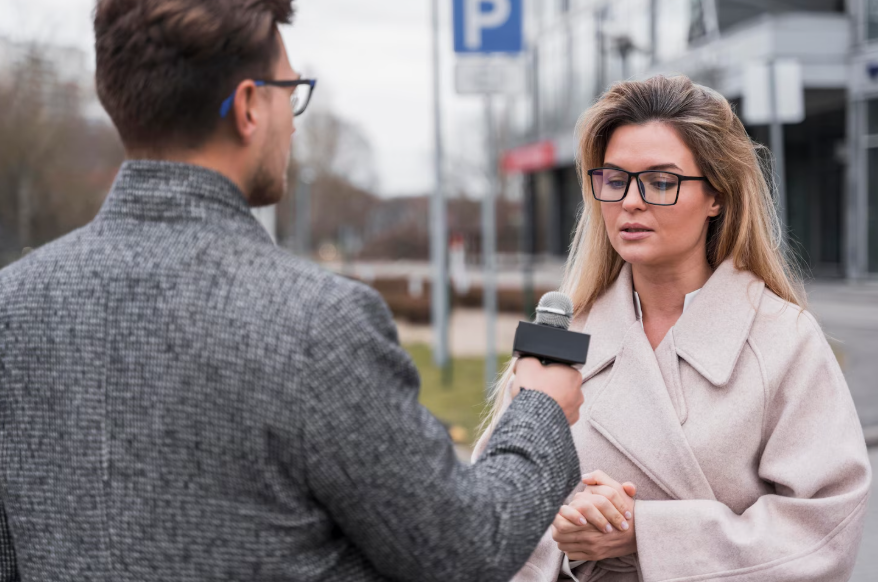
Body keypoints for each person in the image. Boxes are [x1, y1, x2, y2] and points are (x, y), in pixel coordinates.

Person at [0, 1, 587, 580]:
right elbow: (465, 549)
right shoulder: (316, 322)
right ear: (251, 106)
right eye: (290, 90)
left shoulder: (12, 305)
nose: (294, 118)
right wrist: (541, 407)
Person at [476, 75, 871, 582]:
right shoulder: (560, 332)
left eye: (661, 182)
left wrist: (646, 531)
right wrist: (570, 533)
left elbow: (824, 532)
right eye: (615, 180)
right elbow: (489, 512)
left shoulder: (783, 338)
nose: (631, 202)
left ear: (718, 197)